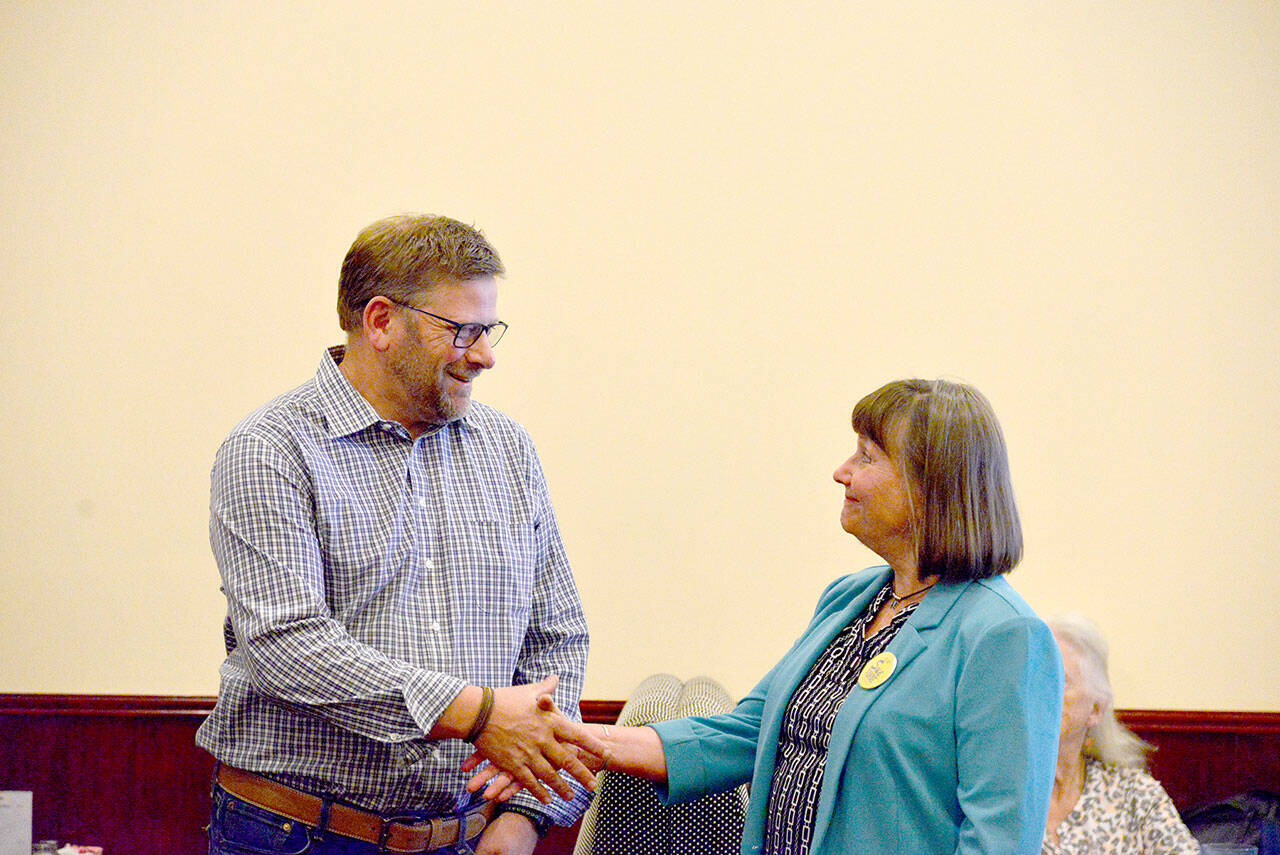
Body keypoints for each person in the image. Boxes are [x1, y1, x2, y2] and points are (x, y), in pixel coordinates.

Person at [478, 378, 1065, 854]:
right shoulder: (850, 598)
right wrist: (581, 740)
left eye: (866, 456)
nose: (842, 472)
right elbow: (743, 735)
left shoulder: (1004, 636)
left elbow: (999, 840)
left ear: (928, 483)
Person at [197, 214, 604, 855]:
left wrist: (525, 817)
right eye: (462, 330)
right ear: (381, 321)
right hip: (298, 834)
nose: (485, 355)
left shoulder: (507, 449)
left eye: (489, 329)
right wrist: (478, 716)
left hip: (473, 837)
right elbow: (286, 646)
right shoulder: (270, 449)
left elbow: (559, 638)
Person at [1042, 613, 1199, 854]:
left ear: (1095, 709)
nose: (1040, 692)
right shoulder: (994, 794)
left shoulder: (1135, 796)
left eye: (1058, 681)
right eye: (1033, 679)